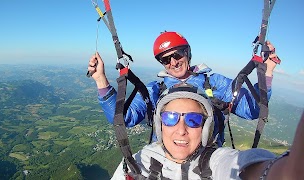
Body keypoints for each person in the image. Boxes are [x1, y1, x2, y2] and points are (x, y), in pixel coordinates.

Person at [87, 31, 279, 146]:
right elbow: (124, 118)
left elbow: (253, 109)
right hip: (165, 159)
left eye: (177, 54)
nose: (173, 62)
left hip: (207, 158)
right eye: (165, 59)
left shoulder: (214, 82)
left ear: (187, 53)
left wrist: (267, 71)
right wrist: (100, 79)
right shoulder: (156, 89)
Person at [111, 83, 304, 179]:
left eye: (193, 120)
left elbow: (243, 166)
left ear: (206, 127)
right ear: (160, 125)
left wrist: (288, 170)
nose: (181, 130)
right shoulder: (138, 162)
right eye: (170, 118)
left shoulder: (214, 162)